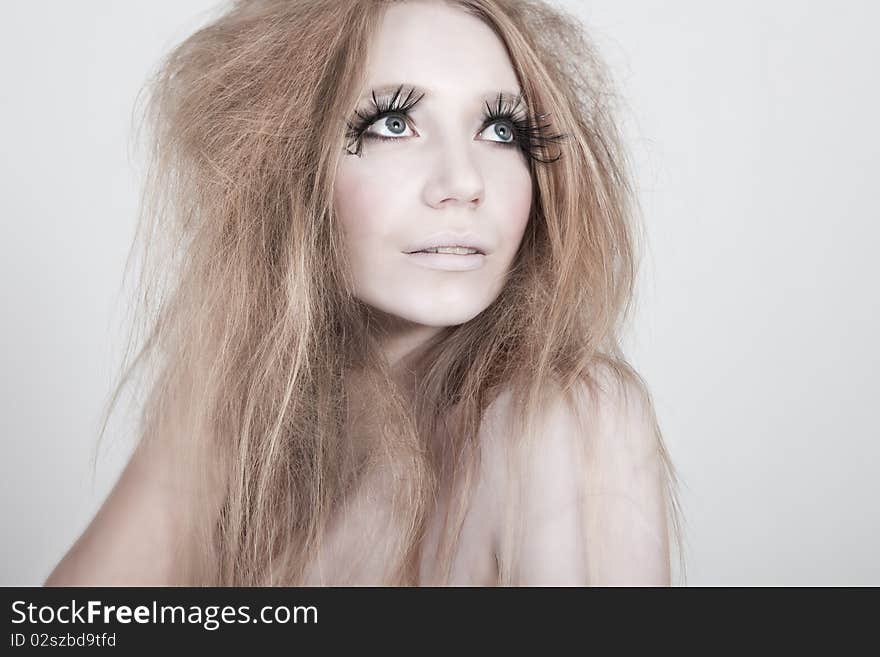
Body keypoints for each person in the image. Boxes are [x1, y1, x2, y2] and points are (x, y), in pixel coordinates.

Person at [44, 0, 685, 587]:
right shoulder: (247, 431)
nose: (463, 183)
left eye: (500, 129)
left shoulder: (559, 419)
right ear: (283, 168)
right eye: (394, 122)